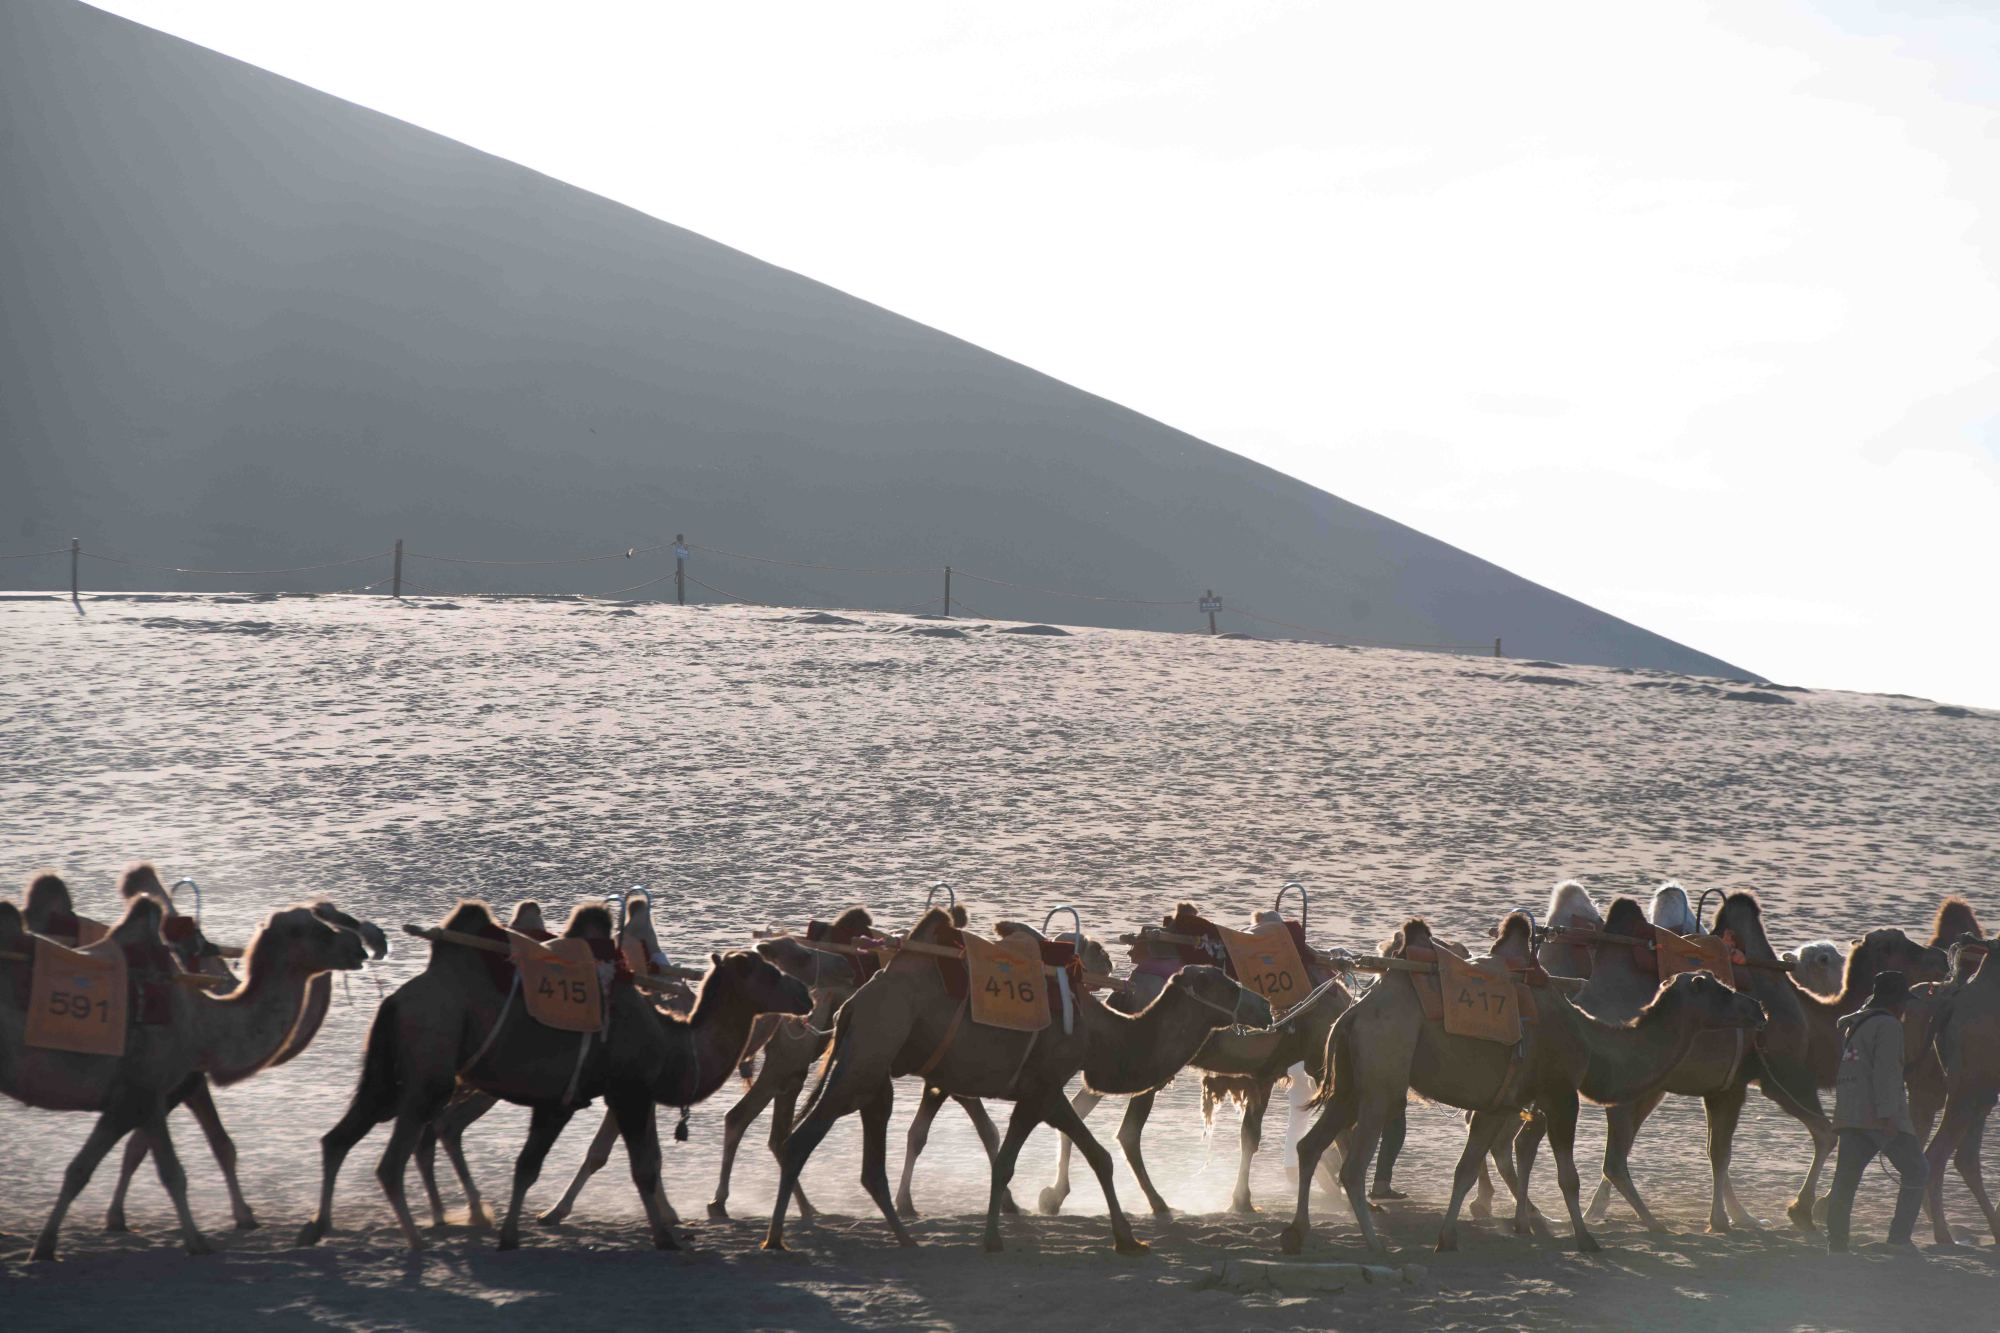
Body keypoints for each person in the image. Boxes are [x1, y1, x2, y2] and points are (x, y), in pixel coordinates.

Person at [1824, 969, 1930, 1252]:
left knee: (1845, 1181)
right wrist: (1888, 1116)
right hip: (1878, 1117)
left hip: (1850, 1114)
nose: (1906, 1008)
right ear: (1897, 1002)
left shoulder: (1856, 1024)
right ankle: (1899, 1239)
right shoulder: (1889, 1026)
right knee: (1917, 1171)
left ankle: (1836, 1243)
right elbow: (1886, 1074)